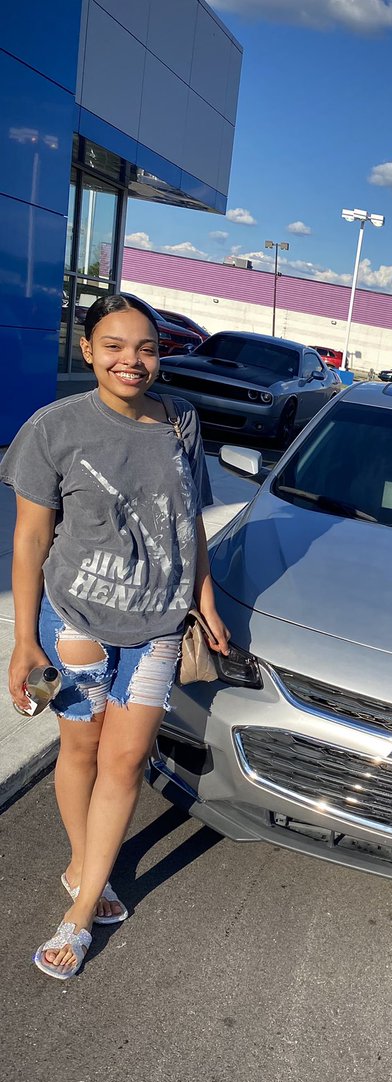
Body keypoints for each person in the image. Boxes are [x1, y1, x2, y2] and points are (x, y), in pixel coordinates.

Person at [2, 293, 230, 980]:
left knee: (126, 762)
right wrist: (23, 641)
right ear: (88, 349)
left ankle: (79, 914)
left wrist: (205, 600)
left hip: (159, 621)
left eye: (146, 348)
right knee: (80, 749)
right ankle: (84, 866)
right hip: (76, 621)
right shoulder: (53, 428)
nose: (132, 360)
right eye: (114, 346)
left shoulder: (181, 421)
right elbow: (30, 539)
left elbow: (190, 521)